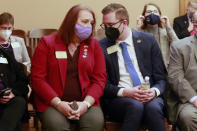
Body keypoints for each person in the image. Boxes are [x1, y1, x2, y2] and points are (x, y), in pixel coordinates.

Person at [31, 4, 106, 131]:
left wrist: (86, 104)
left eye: (91, 23)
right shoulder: (47, 43)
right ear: (71, 22)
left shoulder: (94, 45)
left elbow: (99, 80)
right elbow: (37, 79)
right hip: (52, 102)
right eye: (84, 21)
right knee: (57, 126)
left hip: (85, 102)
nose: (88, 26)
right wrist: (58, 103)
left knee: (94, 124)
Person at [99, 3, 167, 131]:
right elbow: (103, 84)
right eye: (105, 25)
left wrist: (154, 92)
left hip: (149, 94)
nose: (107, 29)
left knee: (153, 108)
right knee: (135, 106)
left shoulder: (148, 40)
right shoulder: (102, 46)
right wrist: (126, 92)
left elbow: (161, 78)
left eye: (111, 25)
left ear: (124, 22)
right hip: (120, 98)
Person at [168, 11, 197, 131]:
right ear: (195, 25)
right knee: (189, 117)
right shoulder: (179, 46)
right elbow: (175, 77)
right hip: (190, 100)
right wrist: (194, 99)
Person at [135, 3, 178, 68]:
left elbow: (177, 46)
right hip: (146, 69)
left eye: (155, 12)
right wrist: (138, 27)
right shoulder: (139, 32)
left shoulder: (165, 32)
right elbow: (133, 47)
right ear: (144, 16)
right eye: (149, 12)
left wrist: (168, 27)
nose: (152, 14)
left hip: (164, 69)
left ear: (160, 16)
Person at [0, 45, 29, 130]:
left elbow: (23, 81)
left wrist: (13, 93)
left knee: (19, 101)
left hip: (9, 99)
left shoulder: (5, 54)